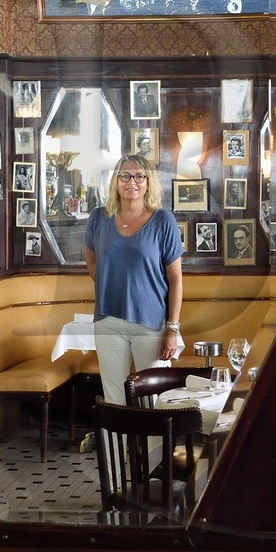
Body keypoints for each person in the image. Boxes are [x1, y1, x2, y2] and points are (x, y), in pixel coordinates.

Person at [84, 155, 184, 406]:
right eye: (125, 176)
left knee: (153, 399)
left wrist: (172, 329)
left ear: (149, 183)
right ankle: (115, 447)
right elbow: (92, 262)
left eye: (140, 176)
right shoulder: (98, 218)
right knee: (114, 397)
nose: (133, 181)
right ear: (115, 182)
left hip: (151, 324)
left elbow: (176, 280)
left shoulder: (163, 221)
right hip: (107, 321)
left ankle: (153, 448)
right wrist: (112, 285)